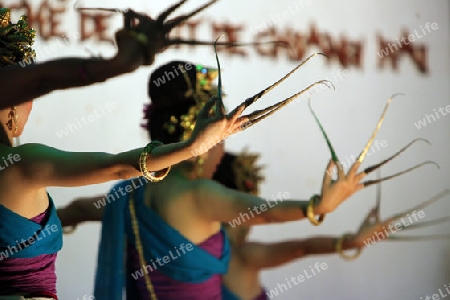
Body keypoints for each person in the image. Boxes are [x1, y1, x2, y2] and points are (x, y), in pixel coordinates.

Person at [57, 59, 366, 300]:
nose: (224, 148)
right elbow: (266, 213)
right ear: (203, 138)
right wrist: (316, 207)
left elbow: (82, 209)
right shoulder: (199, 195)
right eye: (222, 136)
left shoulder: (128, 196)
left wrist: (32, 228)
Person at [0, 9, 249, 300]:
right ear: (16, 101)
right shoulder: (22, 166)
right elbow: (116, 167)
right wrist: (190, 147)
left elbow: (89, 201)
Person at [212, 151, 391, 300]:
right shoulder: (241, 257)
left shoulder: (190, 251)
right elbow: (303, 247)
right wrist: (351, 242)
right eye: (247, 220)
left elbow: (303, 247)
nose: (250, 227)